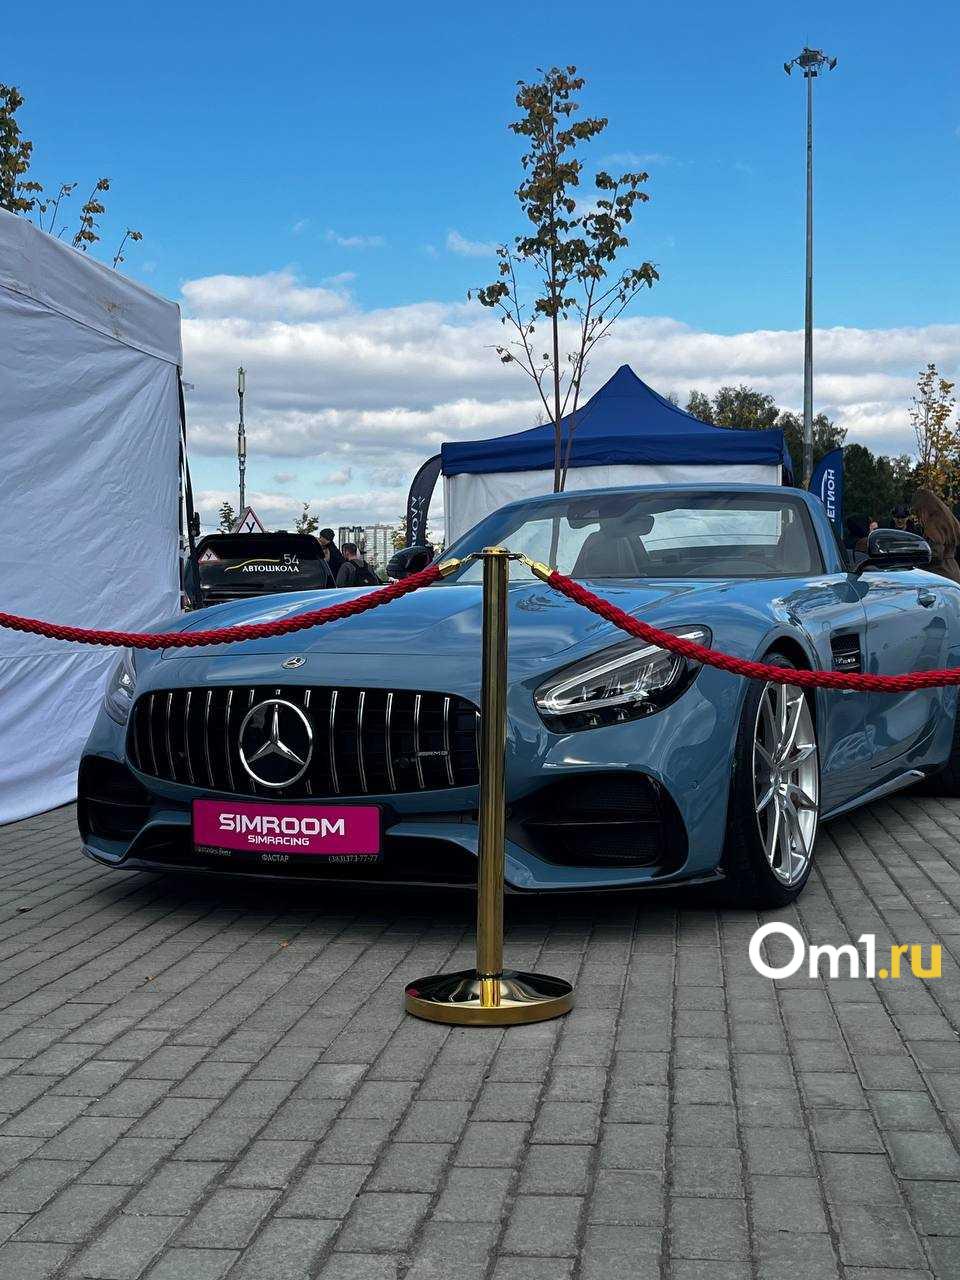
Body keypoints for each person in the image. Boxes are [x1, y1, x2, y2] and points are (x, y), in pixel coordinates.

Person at [912, 489, 960, 584]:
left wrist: (916, 559)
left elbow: (936, 552)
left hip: (941, 574)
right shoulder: (947, 519)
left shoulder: (932, 523)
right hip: (953, 570)